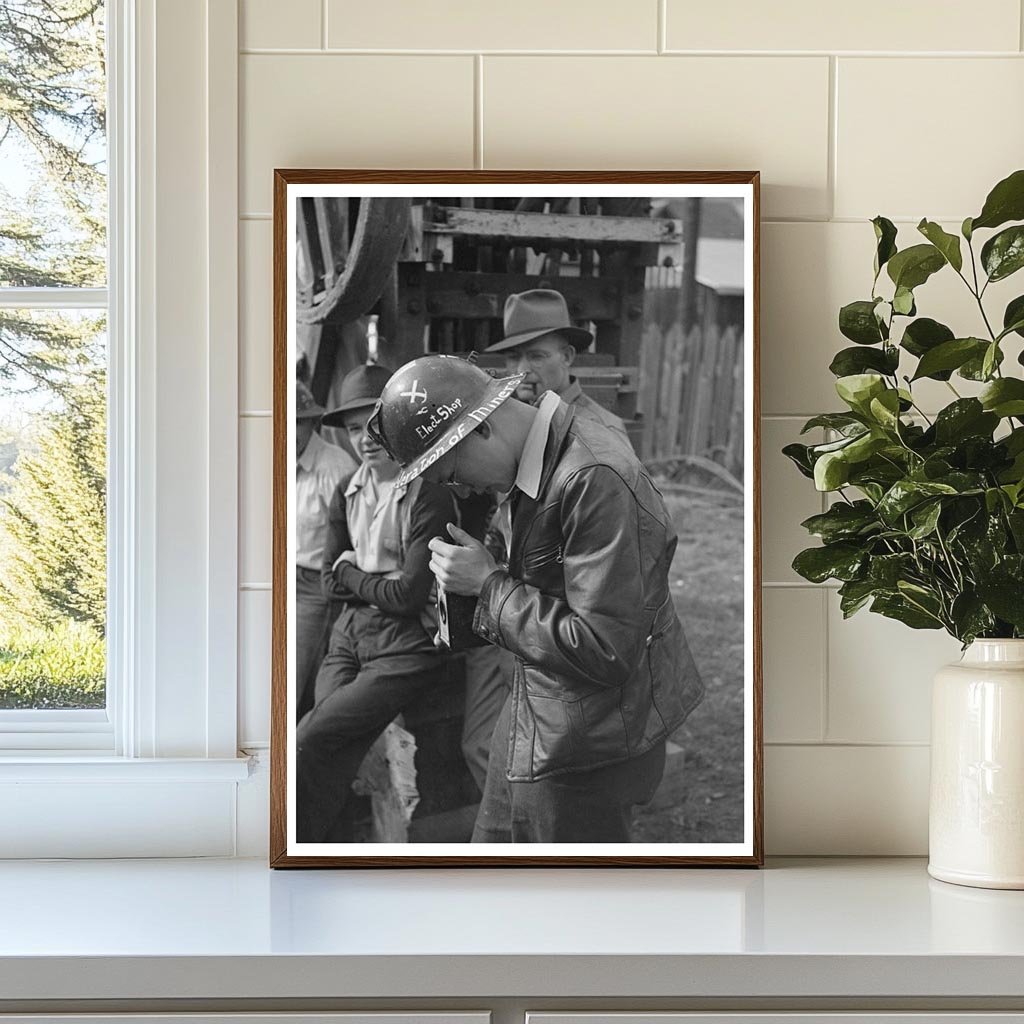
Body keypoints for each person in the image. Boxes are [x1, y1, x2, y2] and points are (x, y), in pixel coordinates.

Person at [366, 355, 704, 843]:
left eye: (451, 472)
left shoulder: (594, 478)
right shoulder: (540, 454)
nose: (461, 487)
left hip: (592, 742)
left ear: (479, 429)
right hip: (541, 707)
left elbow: (605, 647)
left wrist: (487, 585)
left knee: (565, 902)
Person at [295, 364, 454, 843]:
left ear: (398, 421)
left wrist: (352, 572)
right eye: (350, 428)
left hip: (406, 648)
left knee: (308, 736)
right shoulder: (349, 489)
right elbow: (329, 581)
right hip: (349, 636)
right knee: (328, 744)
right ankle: (323, 842)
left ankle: (301, 842)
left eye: (373, 424)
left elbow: (408, 597)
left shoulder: (431, 492)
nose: (363, 438)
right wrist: (367, 578)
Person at [485, 288, 631, 450]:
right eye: (513, 357)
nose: (522, 369)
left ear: (567, 357)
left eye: (537, 356)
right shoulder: (504, 424)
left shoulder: (600, 431)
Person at [294, 379, 358, 720]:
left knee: (292, 678)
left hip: (314, 586)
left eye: (297, 423)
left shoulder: (334, 466)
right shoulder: (270, 461)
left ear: (311, 423)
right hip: (276, 580)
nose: (289, 433)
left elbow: (354, 537)